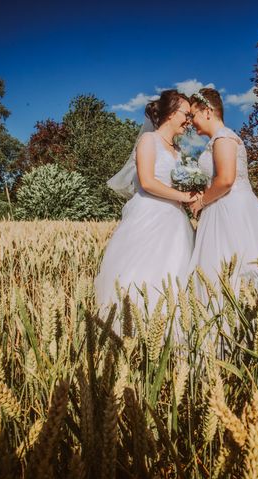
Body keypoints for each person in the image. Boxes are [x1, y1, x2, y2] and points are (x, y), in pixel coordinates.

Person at [94, 90, 200, 327]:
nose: (189, 120)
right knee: (143, 273)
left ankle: (170, 332)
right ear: (171, 114)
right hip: (149, 216)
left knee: (174, 274)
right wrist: (184, 196)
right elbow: (148, 182)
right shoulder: (148, 141)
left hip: (175, 222)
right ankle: (134, 327)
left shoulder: (179, 151)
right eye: (186, 114)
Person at [186, 88, 258, 307]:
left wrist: (202, 201)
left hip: (231, 210)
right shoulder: (217, 139)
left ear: (207, 111)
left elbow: (225, 180)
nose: (191, 122)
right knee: (219, 267)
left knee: (236, 263)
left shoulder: (224, 138)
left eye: (193, 115)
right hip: (220, 207)